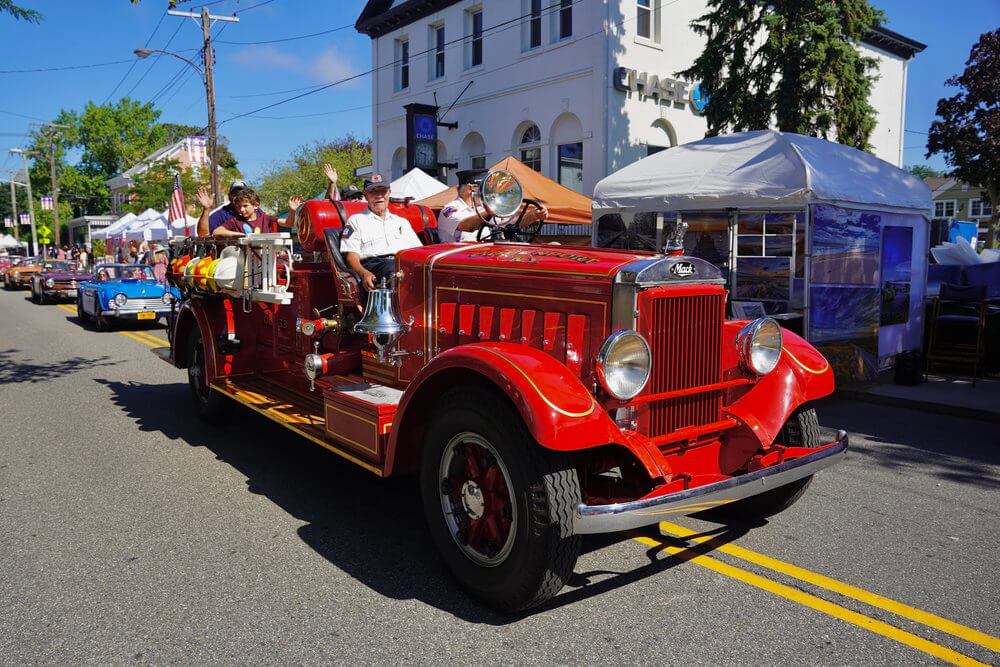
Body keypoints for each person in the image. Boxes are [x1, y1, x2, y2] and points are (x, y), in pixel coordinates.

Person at [339, 175, 422, 291]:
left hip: (402, 265)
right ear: (366, 195)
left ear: (389, 193)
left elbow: (418, 251)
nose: (379, 195)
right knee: (394, 269)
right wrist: (364, 273)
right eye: (373, 191)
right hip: (376, 265)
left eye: (382, 191)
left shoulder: (402, 222)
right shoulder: (355, 221)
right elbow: (351, 257)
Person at [438, 169, 549, 243]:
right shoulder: (450, 209)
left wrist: (534, 215)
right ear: (469, 189)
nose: (489, 192)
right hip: (459, 262)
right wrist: (490, 207)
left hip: (484, 255)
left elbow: (510, 225)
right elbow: (467, 226)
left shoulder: (484, 208)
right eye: (484, 189)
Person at [212, 188, 285, 237]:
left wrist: (292, 211)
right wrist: (237, 234)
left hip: (266, 257)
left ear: (256, 205)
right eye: (239, 207)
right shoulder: (236, 221)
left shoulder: (265, 218)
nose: (242, 209)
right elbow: (216, 232)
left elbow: (288, 223)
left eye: (245, 206)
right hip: (245, 258)